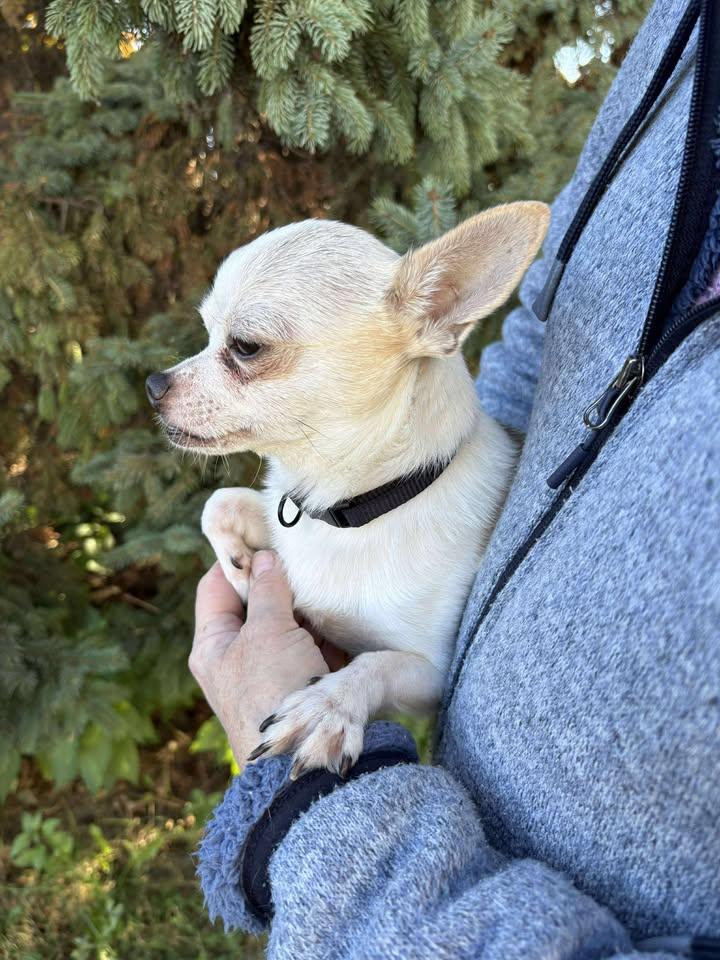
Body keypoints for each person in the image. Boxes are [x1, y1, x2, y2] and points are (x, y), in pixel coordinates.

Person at [191, 0, 720, 955]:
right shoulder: (687, 29)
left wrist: (319, 811)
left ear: (435, 311)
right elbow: (557, 318)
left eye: (247, 350)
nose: (190, 378)